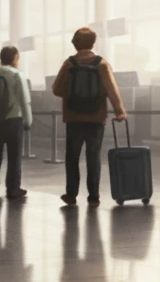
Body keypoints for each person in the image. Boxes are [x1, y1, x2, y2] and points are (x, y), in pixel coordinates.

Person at [52, 27, 126, 207]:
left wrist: (72, 93)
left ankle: (71, 194)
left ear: (75, 44)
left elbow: (56, 89)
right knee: (93, 157)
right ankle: (93, 196)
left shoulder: (69, 64)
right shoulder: (101, 64)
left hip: (73, 118)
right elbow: (112, 90)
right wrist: (119, 111)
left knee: (72, 157)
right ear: (93, 43)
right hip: (96, 118)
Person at [0, 46, 32, 201]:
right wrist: (28, 121)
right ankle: (13, 188)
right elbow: (25, 100)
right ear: (15, 58)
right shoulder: (17, 75)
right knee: (14, 157)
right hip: (13, 120)